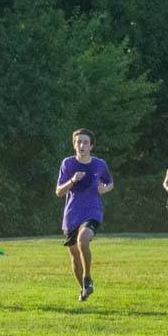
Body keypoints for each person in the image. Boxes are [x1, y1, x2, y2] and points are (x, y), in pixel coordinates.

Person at [55, 128, 113, 302]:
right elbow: (58, 192)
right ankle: (84, 289)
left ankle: (87, 277)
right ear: (74, 145)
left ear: (91, 146)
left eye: (85, 142)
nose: (81, 145)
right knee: (74, 256)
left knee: (83, 240)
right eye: (78, 142)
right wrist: (72, 180)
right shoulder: (67, 164)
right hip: (72, 215)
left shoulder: (99, 164)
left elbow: (109, 182)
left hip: (92, 211)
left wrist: (105, 188)